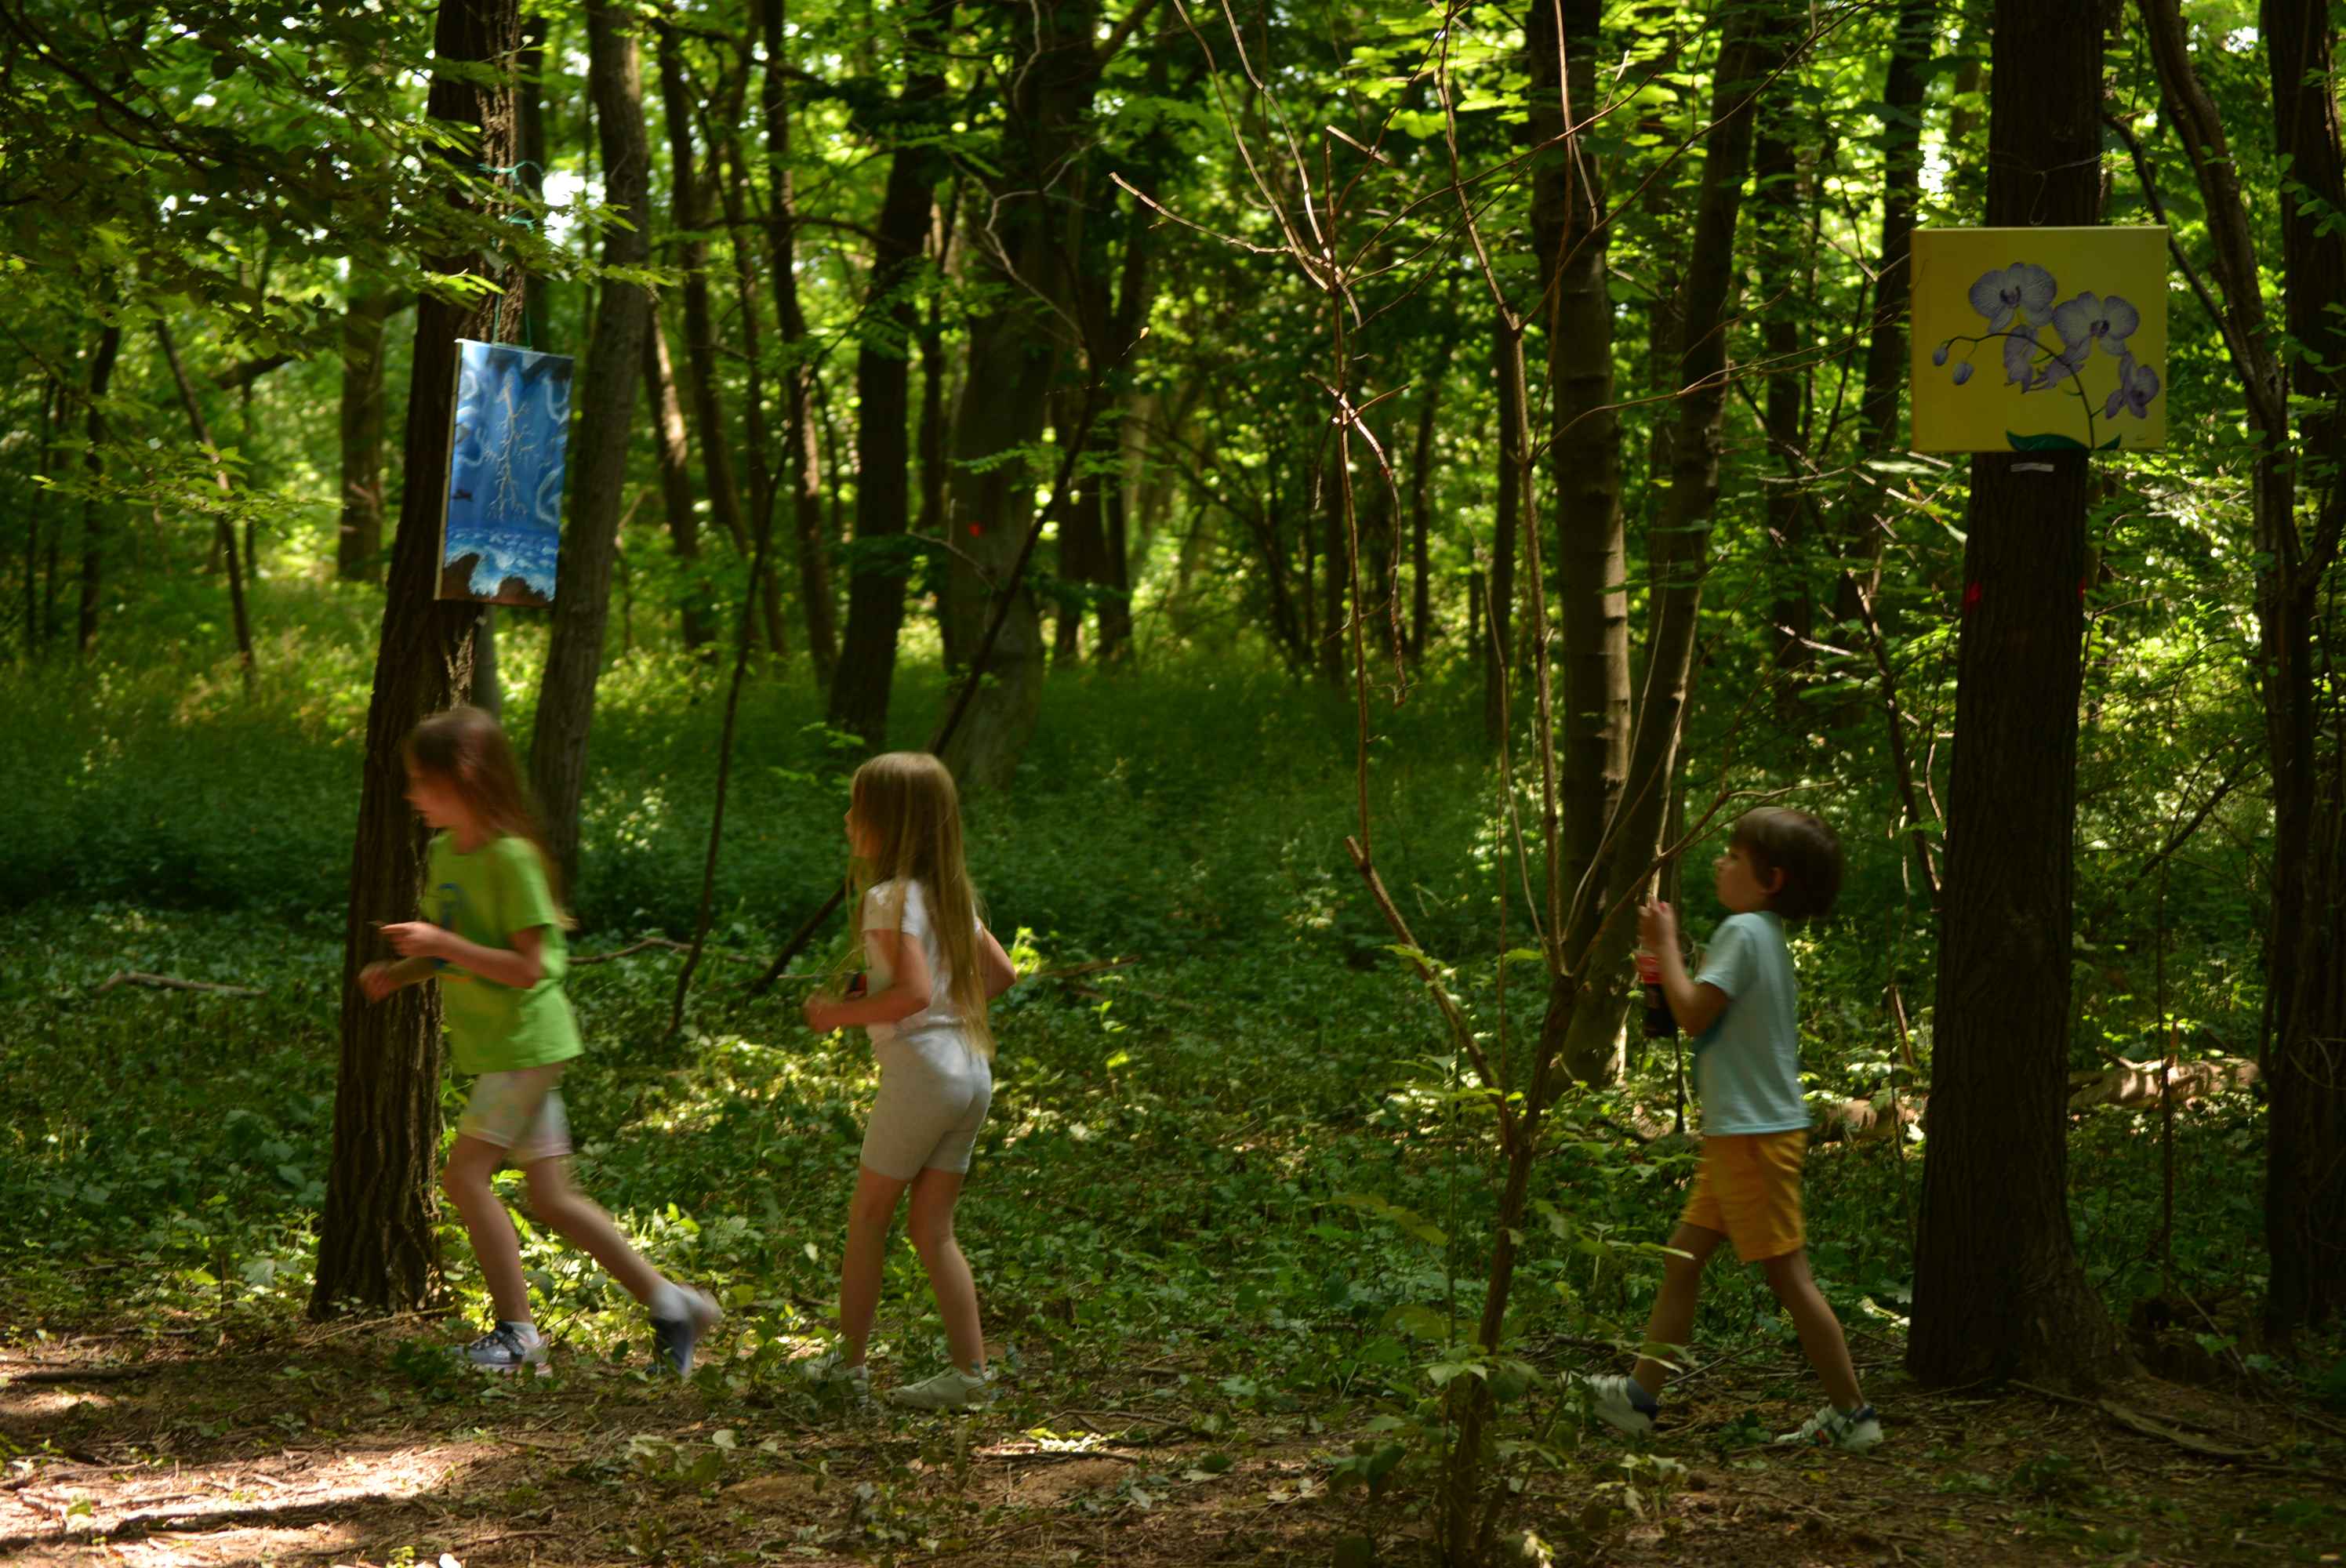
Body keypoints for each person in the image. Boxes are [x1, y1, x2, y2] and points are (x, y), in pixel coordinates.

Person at [360, 706, 721, 1377]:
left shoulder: (512, 858)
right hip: (507, 1048)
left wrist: (439, 943)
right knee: (552, 1198)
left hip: (528, 1044)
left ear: (466, 780)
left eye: (423, 782)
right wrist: (404, 970)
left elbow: (533, 967)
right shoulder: (444, 853)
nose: (411, 796)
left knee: (464, 1176)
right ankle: (673, 1303)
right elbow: (459, 953)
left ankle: (518, 1336)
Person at [1582, 808, 1883, 1452]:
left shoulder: (1744, 932)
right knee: (1682, 1260)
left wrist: (1664, 945)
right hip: (1740, 1135)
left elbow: (1692, 1016)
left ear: (1770, 878)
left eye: (1733, 857)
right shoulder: (1758, 933)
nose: (1720, 863)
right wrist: (1665, 965)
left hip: (1753, 1136)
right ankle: (1640, 1398)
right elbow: (1698, 1012)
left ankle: (1854, 1416)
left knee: (1790, 1278)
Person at [802, 752, 1019, 1411]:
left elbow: (915, 993)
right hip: (970, 1072)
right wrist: (894, 994)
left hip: (924, 1073)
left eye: (857, 808)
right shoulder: (949, 895)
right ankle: (971, 1375)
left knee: (869, 1218)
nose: (846, 819)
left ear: (887, 824)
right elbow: (1000, 975)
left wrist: (838, 1014)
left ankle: (851, 1370)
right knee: (933, 1229)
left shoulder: (887, 897)